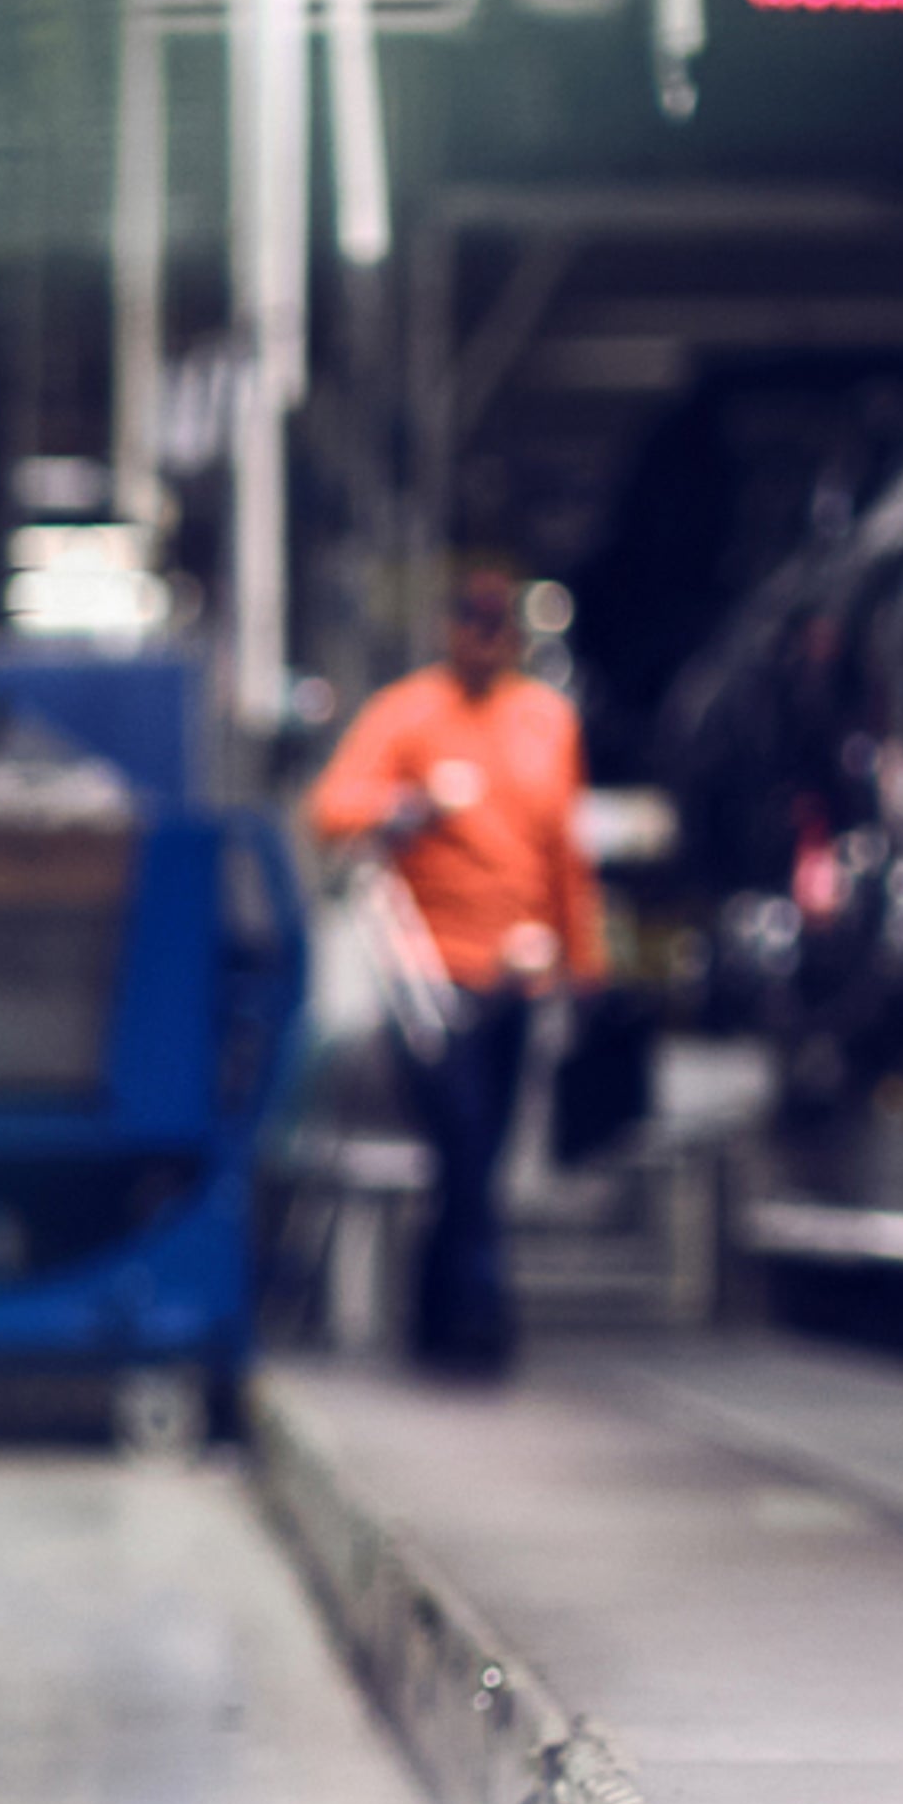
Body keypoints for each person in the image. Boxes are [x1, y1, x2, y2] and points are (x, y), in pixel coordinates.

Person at [304, 563, 606, 1378]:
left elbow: (565, 854)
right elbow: (330, 810)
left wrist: (585, 965)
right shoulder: (406, 716)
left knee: (480, 1155)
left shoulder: (547, 722)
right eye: (471, 624)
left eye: (497, 627)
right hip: (431, 986)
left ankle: (435, 1316)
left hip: (516, 980)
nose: (484, 641)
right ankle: (480, 1318)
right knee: (464, 1141)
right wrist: (410, 807)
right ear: (450, 631)